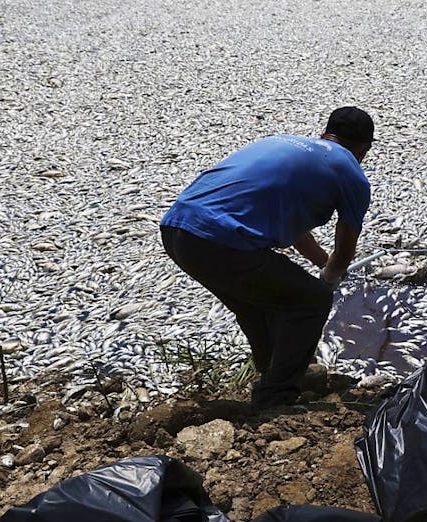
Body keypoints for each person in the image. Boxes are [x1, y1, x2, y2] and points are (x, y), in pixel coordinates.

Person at [160, 107, 375, 412]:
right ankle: (277, 399)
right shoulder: (352, 173)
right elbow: (345, 251)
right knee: (310, 301)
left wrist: (321, 264)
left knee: (255, 303)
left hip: (176, 230)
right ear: (364, 148)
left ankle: (272, 372)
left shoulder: (284, 143)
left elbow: (300, 236)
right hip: (220, 241)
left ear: (324, 134)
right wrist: (328, 280)